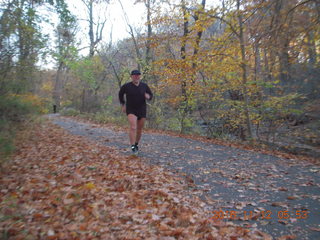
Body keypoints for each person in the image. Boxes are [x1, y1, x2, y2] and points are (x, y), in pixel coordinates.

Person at [118, 69, 153, 154]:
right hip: (131, 109)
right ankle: (133, 146)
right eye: (135, 75)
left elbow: (151, 95)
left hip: (142, 109)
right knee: (133, 127)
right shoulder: (126, 86)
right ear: (131, 77)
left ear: (140, 77)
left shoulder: (144, 86)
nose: (136, 77)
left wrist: (148, 96)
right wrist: (123, 104)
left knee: (139, 129)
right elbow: (120, 94)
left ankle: (136, 144)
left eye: (138, 75)